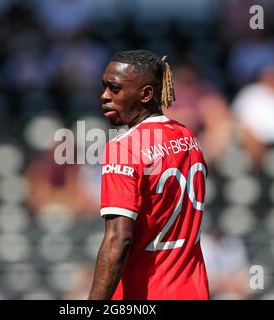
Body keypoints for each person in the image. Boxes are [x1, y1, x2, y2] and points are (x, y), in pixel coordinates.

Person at [88, 50, 209, 300]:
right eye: (104, 87)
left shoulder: (124, 148)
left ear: (145, 94)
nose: (104, 96)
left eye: (114, 88)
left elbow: (118, 239)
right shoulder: (188, 138)